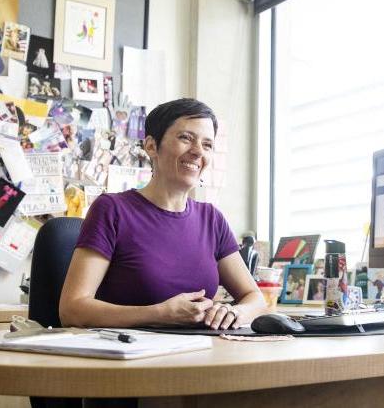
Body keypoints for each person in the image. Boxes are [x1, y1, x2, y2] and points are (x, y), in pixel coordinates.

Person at [59, 98, 265, 330]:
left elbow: (255, 298)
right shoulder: (112, 210)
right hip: (132, 357)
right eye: (186, 138)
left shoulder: (212, 219)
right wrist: (159, 313)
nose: (198, 151)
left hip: (201, 354)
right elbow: (72, 309)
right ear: (151, 146)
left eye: (207, 145)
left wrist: (233, 311)